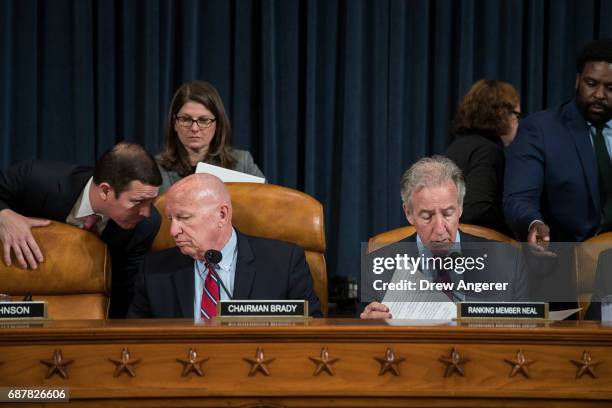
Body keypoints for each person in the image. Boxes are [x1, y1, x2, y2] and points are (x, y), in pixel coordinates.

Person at [0, 143, 162, 317]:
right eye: (137, 201)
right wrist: (3, 215)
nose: (146, 212)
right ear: (105, 190)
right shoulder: (36, 178)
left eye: (150, 202)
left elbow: (124, 291)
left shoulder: (146, 225)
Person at [127, 173, 320, 318]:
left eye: (184, 218)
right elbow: (134, 345)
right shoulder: (153, 271)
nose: (173, 231)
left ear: (222, 215)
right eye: (171, 219)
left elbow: (311, 335)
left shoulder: (283, 264)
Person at [361, 156, 527, 319]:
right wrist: (369, 328)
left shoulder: (509, 261)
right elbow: (357, 338)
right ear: (409, 213)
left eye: (448, 214)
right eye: (427, 216)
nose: (440, 230)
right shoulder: (378, 268)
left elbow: (531, 333)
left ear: (460, 208)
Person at [504, 39, 612, 244]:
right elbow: (519, 198)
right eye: (591, 83)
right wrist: (533, 224)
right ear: (577, 81)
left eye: (610, 87)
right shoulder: (540, 129)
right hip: (563, 259)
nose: (599, 94)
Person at [156, 80, 264, 192]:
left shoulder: (242, 164)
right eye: (186, 119)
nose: (194, 128)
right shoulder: (157, 169)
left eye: (204, 120)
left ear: (217, 124)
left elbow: (268, 205)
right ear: (175, 123)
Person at [446, 79, 520, 236]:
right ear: (502, 114)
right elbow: (477, 209)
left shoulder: (457, 145)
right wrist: (512, 239)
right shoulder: (488, 151)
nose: (518, 122)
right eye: (517, 114)